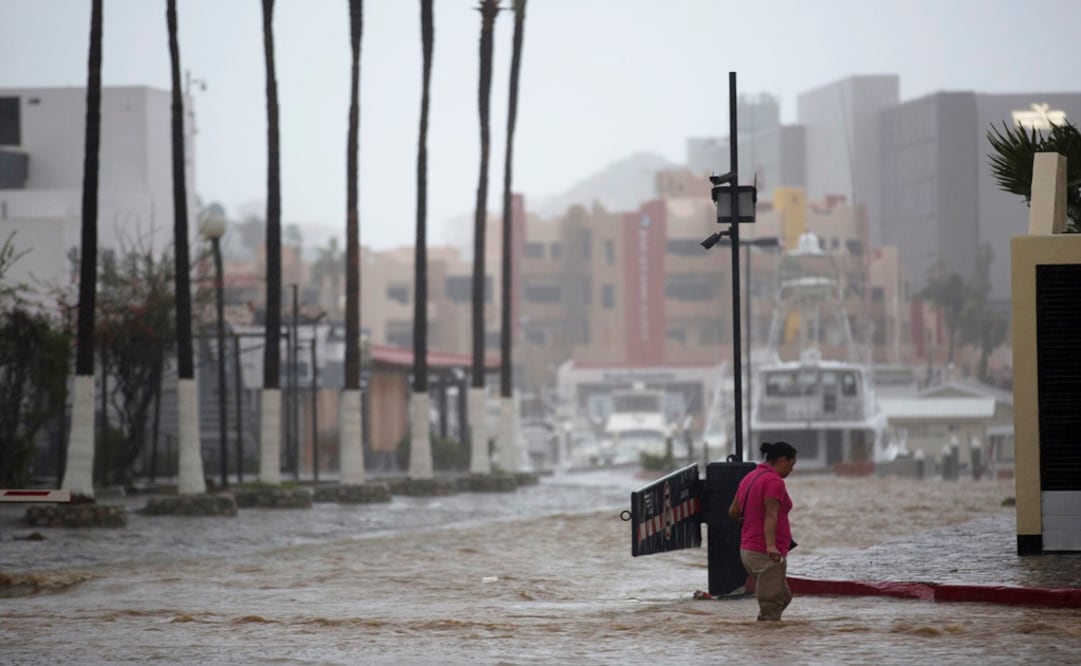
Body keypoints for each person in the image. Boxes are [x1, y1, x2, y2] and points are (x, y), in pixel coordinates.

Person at [727, 441, 798, 621]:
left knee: (783, 597)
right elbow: (771, 514)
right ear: (782, 460)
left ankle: (766, 640)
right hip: (765, 553)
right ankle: (767, 645)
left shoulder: (749, 477)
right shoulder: (774, 481)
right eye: (791, 465)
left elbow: (733, 512)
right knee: (772, 606)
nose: (791, 470)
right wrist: (771, 545)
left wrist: (749, 520)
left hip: (748, 551)